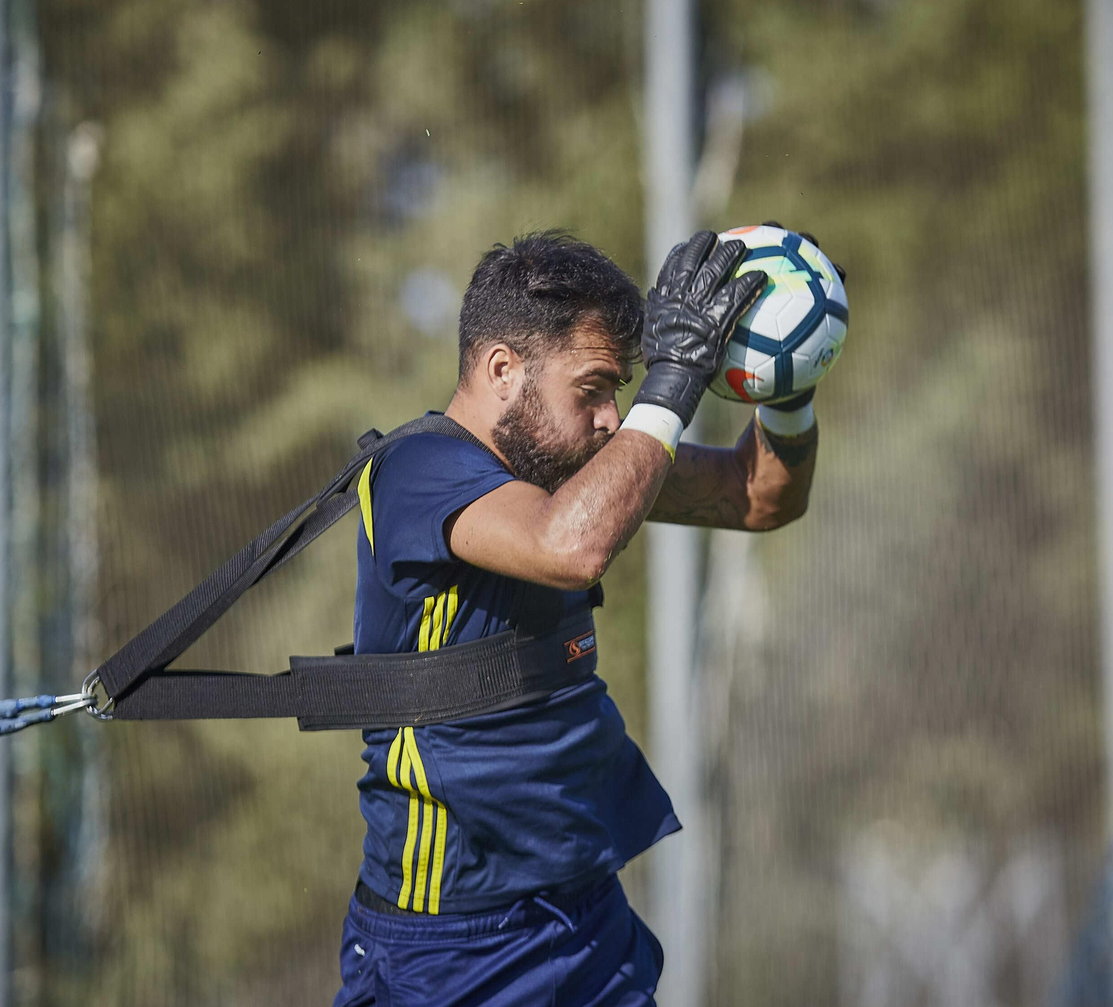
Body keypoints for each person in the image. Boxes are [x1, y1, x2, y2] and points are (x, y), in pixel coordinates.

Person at [334, 229, 821, 1006]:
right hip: (448, 949)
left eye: (620, 391)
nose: (611, 418)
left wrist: (790, 380)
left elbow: (754, 497)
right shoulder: (415, 470)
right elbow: (571, 544)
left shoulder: (569, 473)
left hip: (590, 923)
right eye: (592, 388)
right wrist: (676, 379)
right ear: (502, 370)